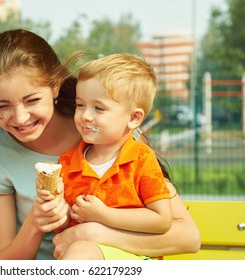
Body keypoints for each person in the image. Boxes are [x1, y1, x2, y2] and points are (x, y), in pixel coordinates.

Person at [0, 29, 200, 260]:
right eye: (2, 106)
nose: (21, 118)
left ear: (54, 86)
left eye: (32, 100)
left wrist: (92, 232)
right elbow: (5, 265)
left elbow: (188, 236)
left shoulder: (104, 132)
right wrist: (36, 221)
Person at [52, 53, 172, 260]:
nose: (85, 115)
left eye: (99, 108)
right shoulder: (67, 162)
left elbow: (161, 220)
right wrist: (56, 210)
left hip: (136, 256)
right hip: (84, 254)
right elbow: (68, 225)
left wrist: (104, 215)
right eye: (80, 105)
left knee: (79, 254)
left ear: (133, 118)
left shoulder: (141, 158)